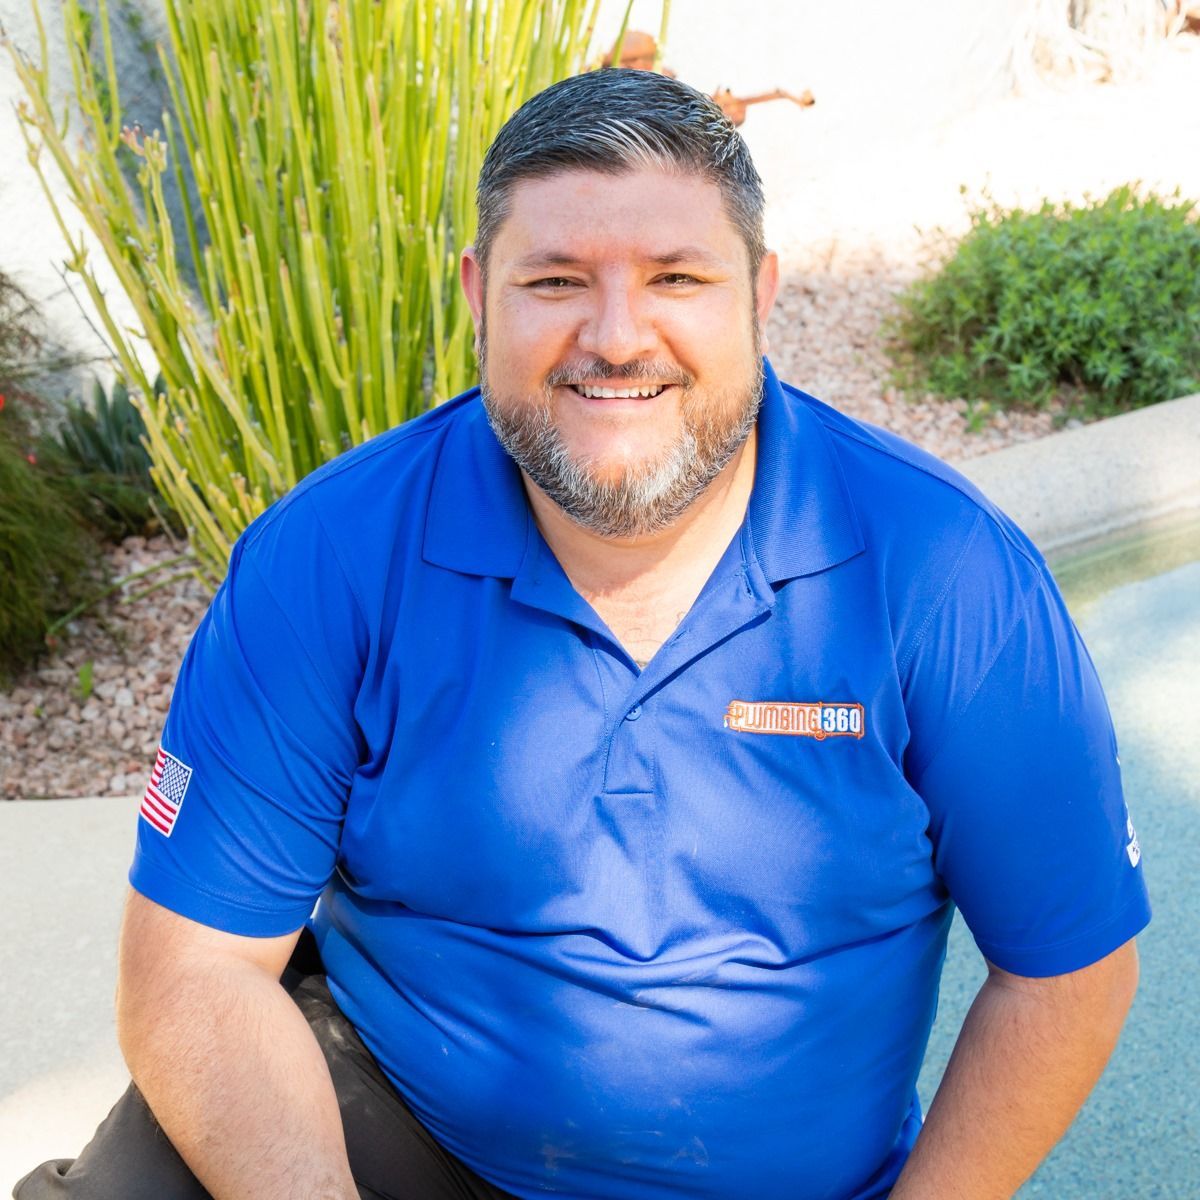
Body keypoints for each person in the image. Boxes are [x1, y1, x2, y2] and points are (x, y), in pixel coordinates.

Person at [15, 68, 1149, 1200]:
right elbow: (199, 968)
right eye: (554, 279)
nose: (615, 337)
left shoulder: (943, 572)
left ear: (759, 293)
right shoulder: (327, 559)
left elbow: (1066, 971)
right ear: (477, 295)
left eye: (676, 277)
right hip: (400, 1130)